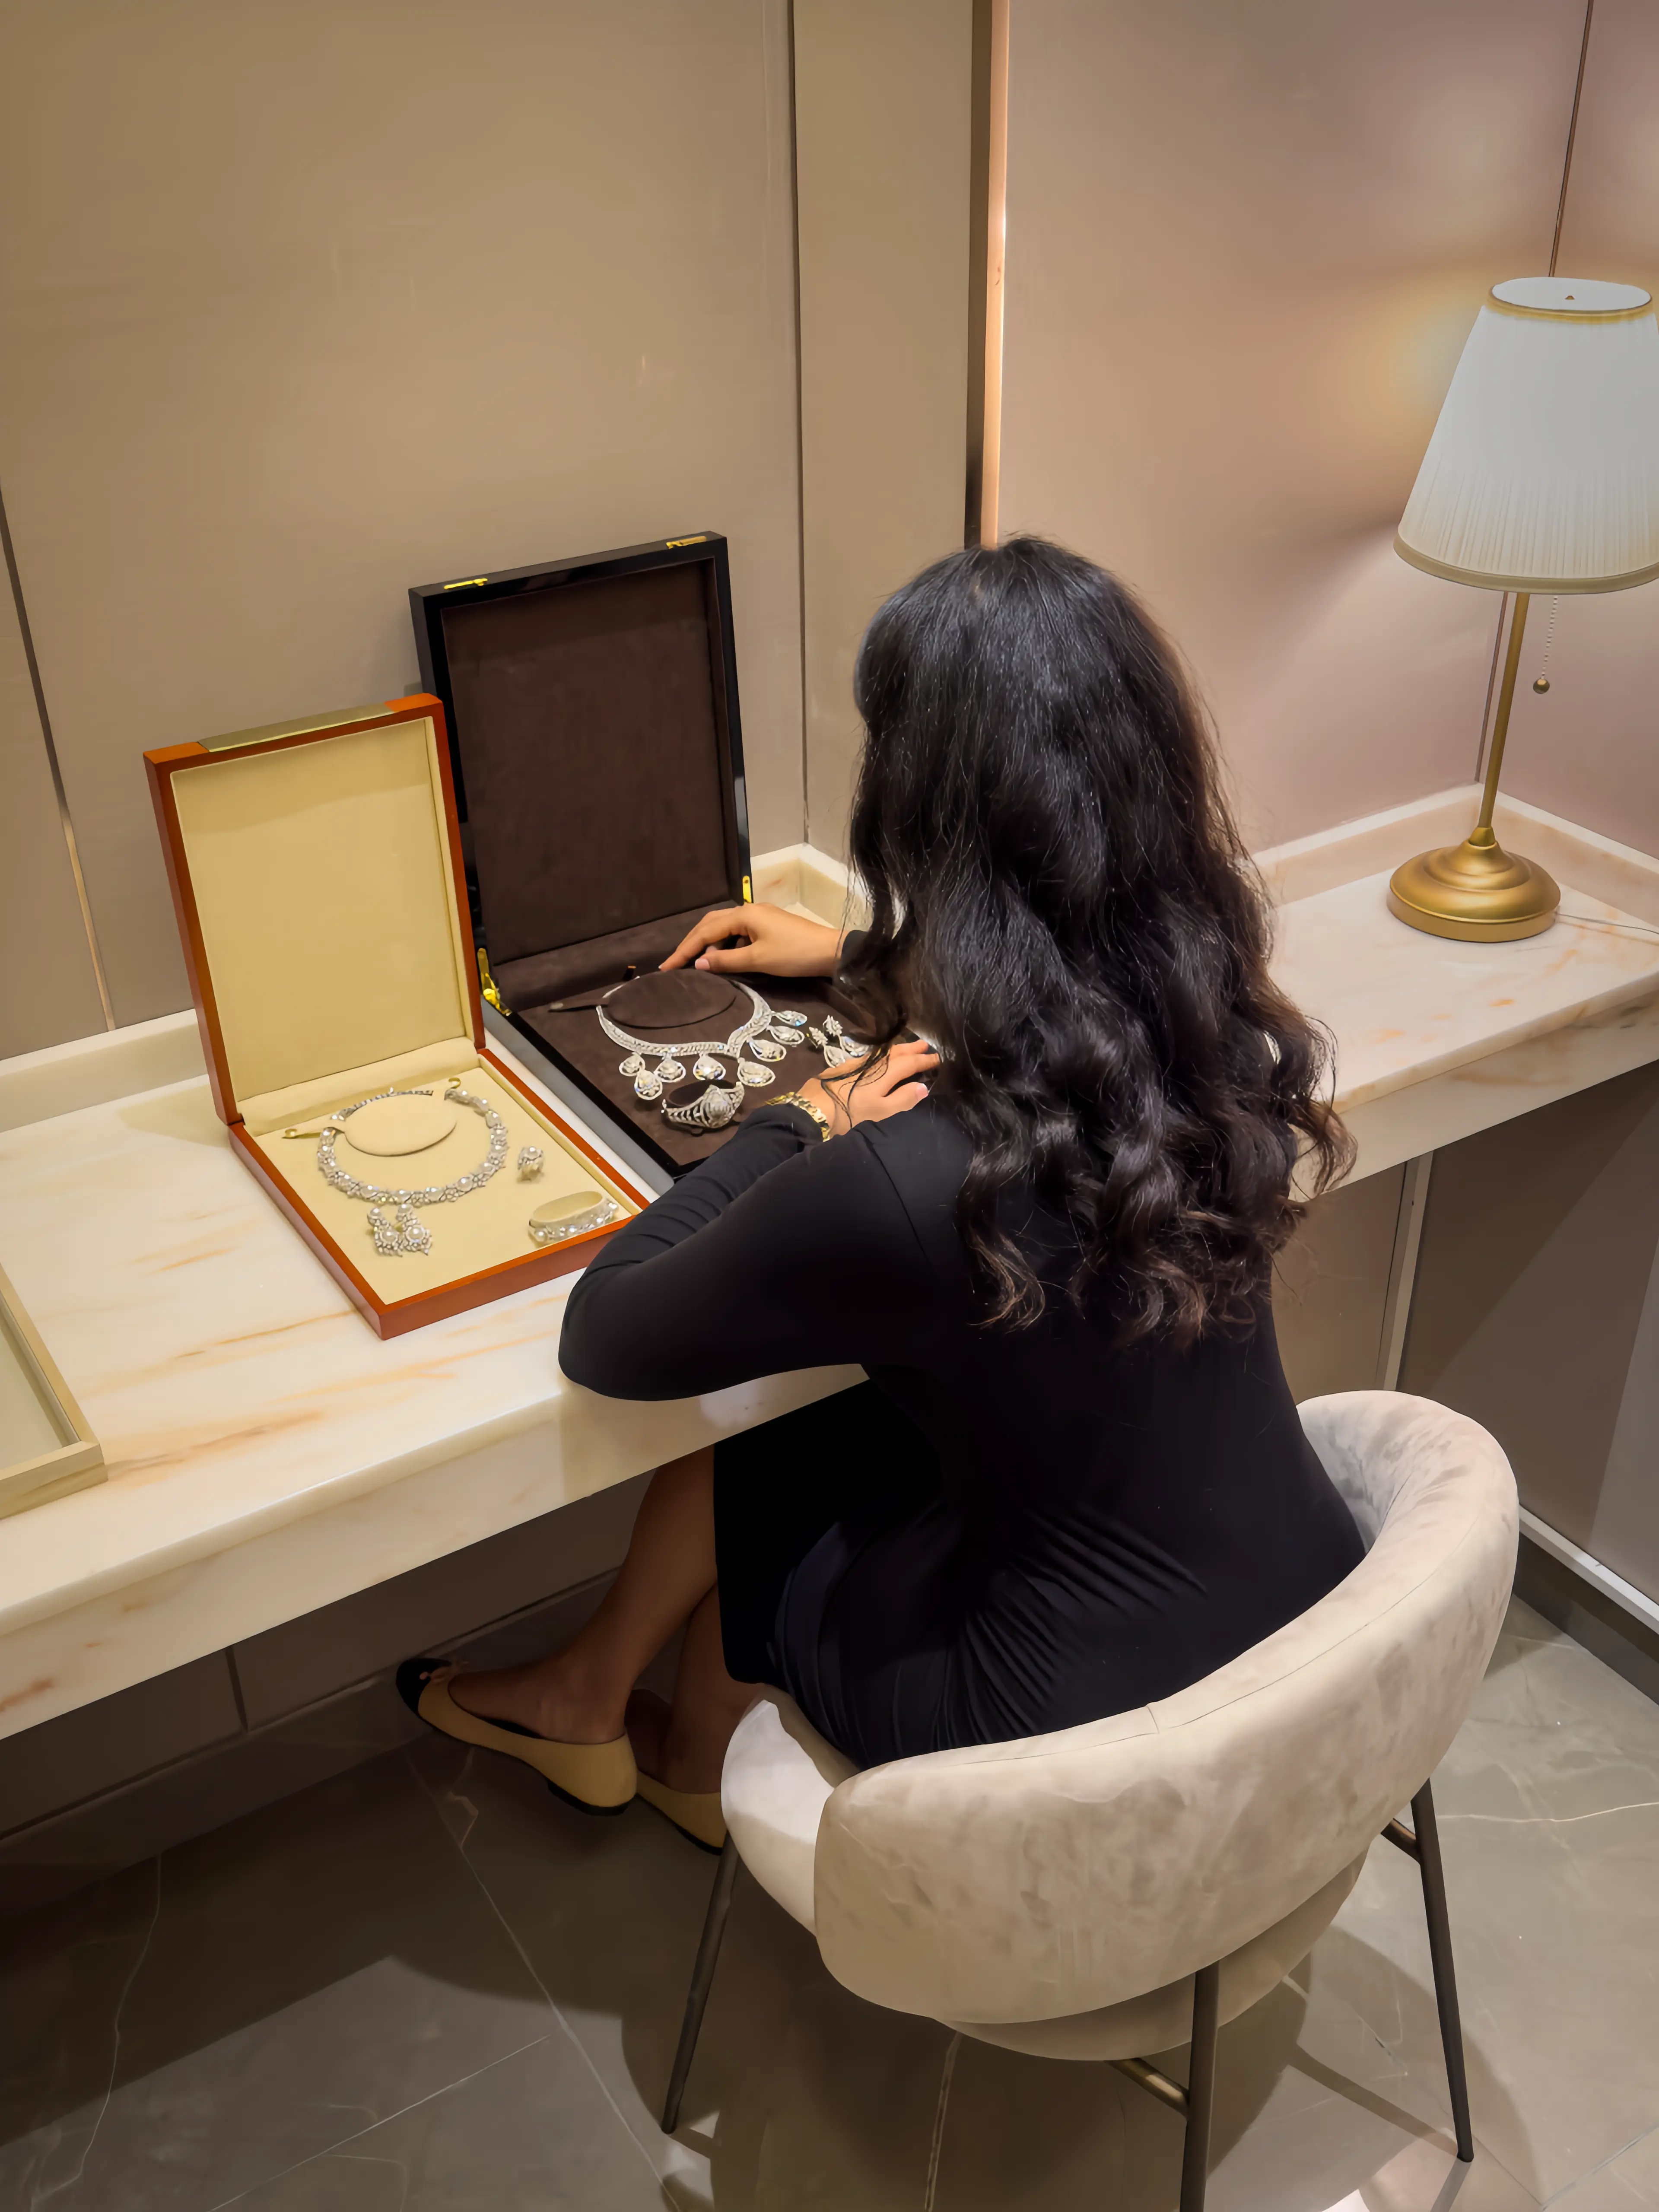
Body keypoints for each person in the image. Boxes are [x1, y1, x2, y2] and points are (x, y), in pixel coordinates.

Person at [399, 537, 1364, 1854]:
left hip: (1061, 1733)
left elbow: (609, 1333)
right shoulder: (1218, 1040)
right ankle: (611, 1704)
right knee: (849, 1390)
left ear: (915, 811)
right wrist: (869, 956)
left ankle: (641, 1720)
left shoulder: (907, 1184)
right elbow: (1058, 956)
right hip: (1305, 1626)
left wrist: (797, 1125)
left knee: (770, 1425)